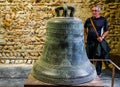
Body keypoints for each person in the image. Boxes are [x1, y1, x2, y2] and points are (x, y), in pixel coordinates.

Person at [84, 5, 111, 76]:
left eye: (95, 10)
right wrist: (86, 36)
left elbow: (107, 30)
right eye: (93, 10)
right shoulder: (88, 20)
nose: (94, 12)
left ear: (99, 11)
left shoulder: (103, 20)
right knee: (88, 57)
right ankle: (89, 72)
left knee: (98, 57)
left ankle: (98, 73)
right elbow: (85, 28)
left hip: (98, 42)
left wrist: (102, 37)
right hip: (89, 42)